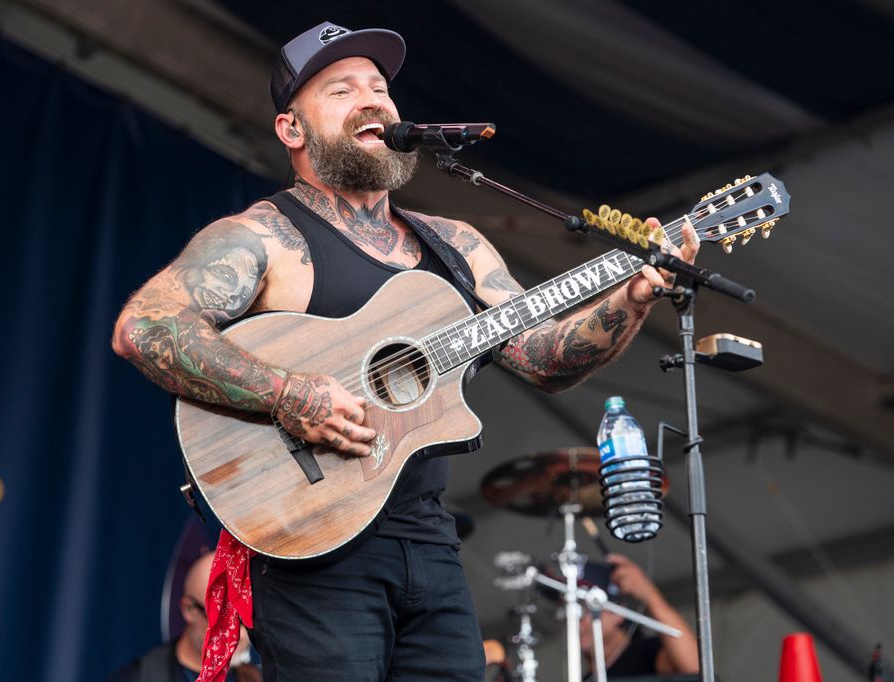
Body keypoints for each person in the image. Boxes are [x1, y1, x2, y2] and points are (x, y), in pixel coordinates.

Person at [111, 20, 700, 682]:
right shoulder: (265, 235)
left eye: (380, 87)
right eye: (340, 89)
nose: (372, 99)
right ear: (291, 131)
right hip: (313, 545)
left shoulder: (455, 244)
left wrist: (637, 292)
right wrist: (287, 393)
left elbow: (541, 358)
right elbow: (146, 327)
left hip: (430, 545)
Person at [108, 551, 261, 682]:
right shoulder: (140, 677)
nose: (240, 635)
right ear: (189, 609)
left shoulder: (259, 676)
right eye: (225, 622)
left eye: (246, 618)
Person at [579, 554, 700, 679]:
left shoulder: (647, 654)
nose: (576, 619)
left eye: (586, 607)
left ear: (617, 611)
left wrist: (646, 591)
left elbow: (696, 670)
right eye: (566, 608)